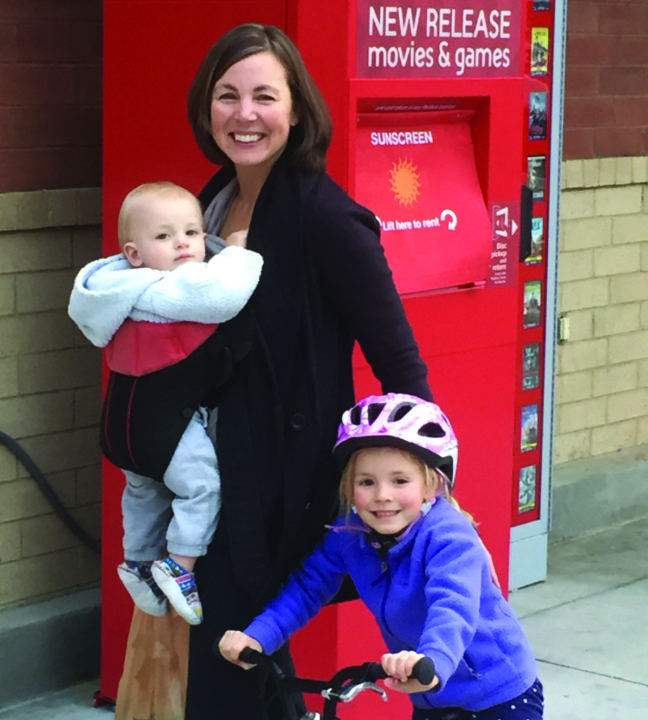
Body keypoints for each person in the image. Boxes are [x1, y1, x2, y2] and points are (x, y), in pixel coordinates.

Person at [184, 22, 433, 719]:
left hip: (277, 490)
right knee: (247, 665)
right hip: (212, 482)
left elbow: (402, 366)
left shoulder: (327, 219)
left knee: (227, 670)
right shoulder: (206, 205)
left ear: (296, 111)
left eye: (265, 95)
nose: (245, 113)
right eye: (227, 96)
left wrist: (417, 494)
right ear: (207, 109)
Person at [220, 393, 544, 720]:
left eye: (400, 480)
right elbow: (308, 587)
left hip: (497, 693)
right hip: (430, 694)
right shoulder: (350, 535)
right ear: (349, 488)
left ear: (432, 484)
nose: (382, 496)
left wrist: (432, 661)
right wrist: (258, 636)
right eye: (367, 482)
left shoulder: (449, 536)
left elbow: (453, 607)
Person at [67, 181, 263, 625]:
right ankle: (180, 565)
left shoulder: (114, 288)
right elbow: (224, 295)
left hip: (118, 427)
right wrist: (234, 250)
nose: (183, 244)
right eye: (165, 236)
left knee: (144, 492)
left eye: (193, 233)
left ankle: (138, 563)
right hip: (164, 428)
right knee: (202, 486)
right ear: (134, 254)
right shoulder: (170, 291)